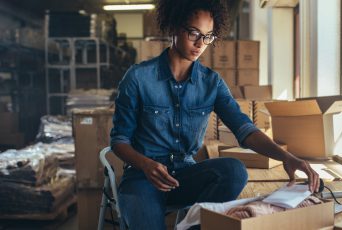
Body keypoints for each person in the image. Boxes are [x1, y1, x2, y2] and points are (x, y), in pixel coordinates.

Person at [110, 0, 320, 229]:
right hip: (143, 178)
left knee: (234, 170)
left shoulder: (212, 83)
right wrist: (146, 164)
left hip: (185, 176)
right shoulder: (138, 78)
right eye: (194, 33)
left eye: (208, 36)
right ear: (174, 26)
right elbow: (119, 141)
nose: (200, 43)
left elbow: (244, 129)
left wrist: (287, 157)